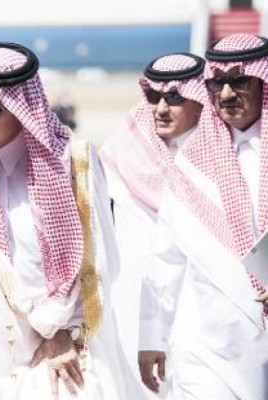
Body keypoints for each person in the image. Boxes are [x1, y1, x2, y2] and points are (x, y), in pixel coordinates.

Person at [0, 42, 144, 399]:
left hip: (60, 346)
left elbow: (99, 260)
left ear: (20, 109)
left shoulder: (74, 162)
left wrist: (66, 331)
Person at [137, 33, 268, 399]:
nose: (226, 94)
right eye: (216, 83)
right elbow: (166, 258)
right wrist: (151, 337)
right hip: (208, 344)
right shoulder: (190, 164)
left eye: (239, 81)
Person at [98, 53, 206, 397]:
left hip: (202, 311)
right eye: (154, 96)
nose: (160, 108)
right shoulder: (124, 150)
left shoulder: (218, 160)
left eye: (174, 97)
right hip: (134, 300)